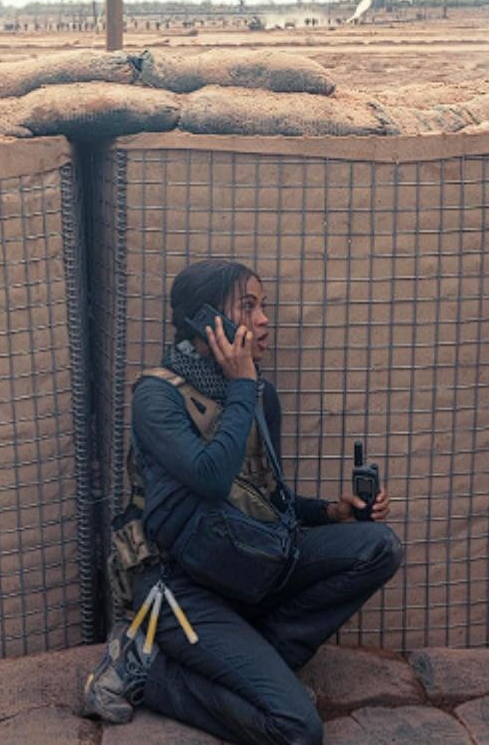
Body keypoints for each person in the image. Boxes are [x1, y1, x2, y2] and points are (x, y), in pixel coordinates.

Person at [82, 260, 404, 745]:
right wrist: (240, 384)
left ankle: (261, 662)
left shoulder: (258, 395)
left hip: (244, 567)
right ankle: (151, 673)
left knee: (378, 546)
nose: (263, 320)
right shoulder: (157, 397)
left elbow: (267, 503)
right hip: (179, 587)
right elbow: (211, 477)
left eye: (264, 306)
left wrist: (333, 513)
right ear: (207, 320)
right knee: (297, 730)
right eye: (248, 307)